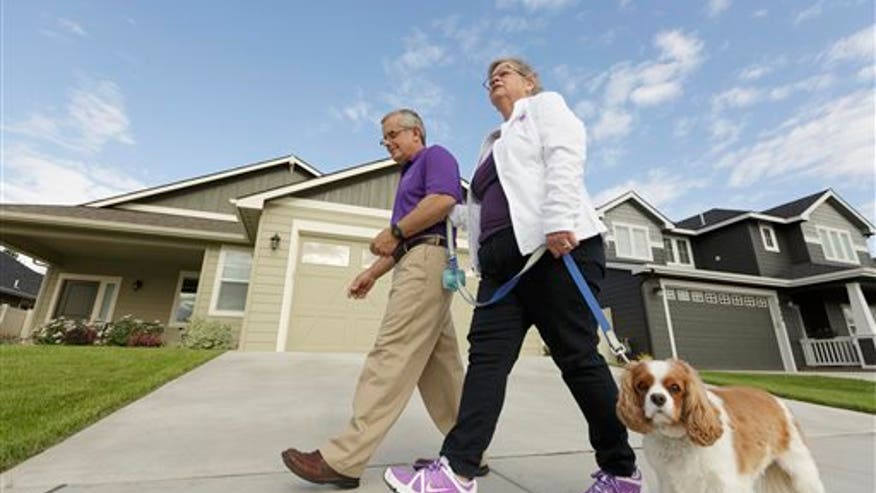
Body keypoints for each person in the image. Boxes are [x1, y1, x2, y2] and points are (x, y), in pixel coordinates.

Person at [383, 59, 642, 493]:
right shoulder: (492, 144)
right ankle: (457, 469)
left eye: (506, 71)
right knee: (486, 360)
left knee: (577, 358)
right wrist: (445, 210)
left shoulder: (544, 108)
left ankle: (621, 473)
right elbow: (486, 210)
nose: (496, 78)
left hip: (555, 249)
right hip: (503, 267)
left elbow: (565, 153)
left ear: (530, 81)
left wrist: (560, 219)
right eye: (491, 77)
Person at [281, 109, 468, 489]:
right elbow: (403, 243)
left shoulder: (435, 157)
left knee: (390, 355)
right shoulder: (406, 176)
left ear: (416, 132)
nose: (388, 143)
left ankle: (343, 459)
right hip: (419, 259)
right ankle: (468, 450)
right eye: (383, 138)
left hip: (426, 262)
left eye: (392, 134)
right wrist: (371, 272)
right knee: (440, 367)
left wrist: (395, 229)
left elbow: (445, 200)